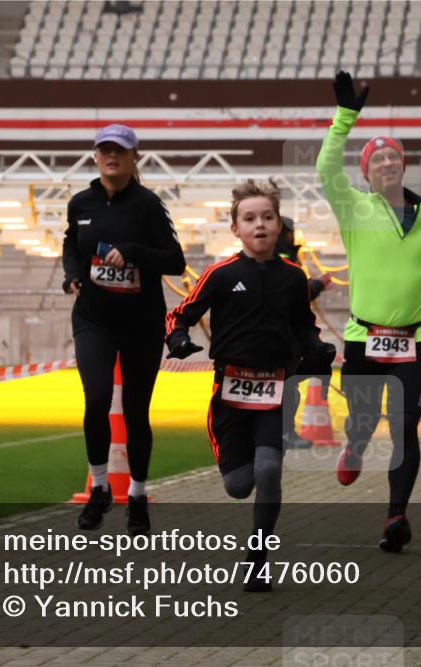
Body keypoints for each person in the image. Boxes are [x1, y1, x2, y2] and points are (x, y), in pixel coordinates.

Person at [316, 71, 421, 553]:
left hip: (412, 341)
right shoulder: (354, 209)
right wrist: (345, 117)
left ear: (403, 166)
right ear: (366, 173)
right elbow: (325, 170)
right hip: (365, 336)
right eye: (376, 158)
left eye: (393, 156)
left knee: (405, 427)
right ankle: (355, 445)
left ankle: (395, 516)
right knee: (363, 418)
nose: (386, 162)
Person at [165, 180, 335, 592]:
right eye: (249, 218)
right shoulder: (220, 274)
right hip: (230, 395)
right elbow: (180, 314)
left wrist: (316, 349)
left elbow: (303, 325)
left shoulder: (295, 277)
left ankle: (258, 558)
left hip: (276, 390)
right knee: (239, 486)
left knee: (270, 468)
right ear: (235, 229)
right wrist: (179, 340)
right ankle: (244, 482)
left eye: (267, 217)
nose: (259, 225)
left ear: (279, 227)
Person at [62, 123, 185, 535]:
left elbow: (174, 260)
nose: (111, 156)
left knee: (135, 410)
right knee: (96, 399)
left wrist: (132, 253)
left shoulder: (148, 205)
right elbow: (69, 243)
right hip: (94, 318)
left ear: (135, 159)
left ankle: (136, 494)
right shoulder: (80, 203)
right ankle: (99, 488)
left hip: (140, 321)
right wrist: (72, 274)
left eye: (120, 150)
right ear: (95, 156)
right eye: (104, 150)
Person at [275, 215, 333, 450]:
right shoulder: (282, 260)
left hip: (287, 332)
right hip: (284, 334)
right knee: (287, 386)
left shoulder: (287, 257)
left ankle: (280, 433)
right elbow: (293, 293)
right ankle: (284, 433)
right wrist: (317, 285)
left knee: (287, 385)